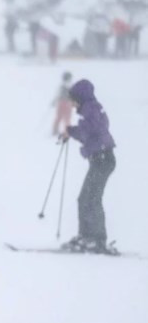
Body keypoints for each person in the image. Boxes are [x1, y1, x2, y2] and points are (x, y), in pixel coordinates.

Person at [61, 79, 116, 254]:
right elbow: (90, 129)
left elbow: (89, 130)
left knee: (91, 199)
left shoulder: (91, 108)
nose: (72, 104)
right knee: (85, 199)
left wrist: (71, 131)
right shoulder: (91, 108)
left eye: (73, 100)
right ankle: (86, 236)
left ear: (80, 97)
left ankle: (97, 239)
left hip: (102, 159)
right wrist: (71, 131)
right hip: (101, 159)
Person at [52, 72, 73, 136]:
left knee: (59, 117)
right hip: (68, 103)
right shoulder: (71, 86)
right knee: (67, 119)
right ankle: (67, 132)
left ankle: (55, 130)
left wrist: (54, 101)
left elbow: (58, 95)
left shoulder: (62, 86)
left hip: (61, 102)